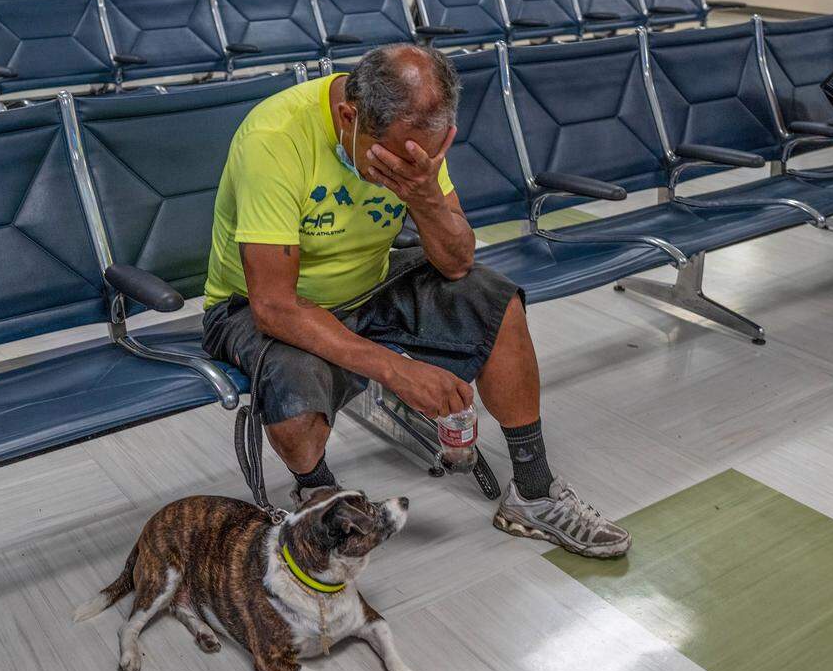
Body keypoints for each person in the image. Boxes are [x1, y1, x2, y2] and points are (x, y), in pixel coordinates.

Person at [200, 43, 630, 558]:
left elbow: (456, 262)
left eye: (422, 161)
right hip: (258, 304)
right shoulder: (274, 140)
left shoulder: (414, 148)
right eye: (393, 161)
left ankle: (533, 494)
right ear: (348, 116)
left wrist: (425, 198)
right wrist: (396, 371)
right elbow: (274, 306)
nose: (407, 170)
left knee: (491, 301)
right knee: (293, 401)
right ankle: (318, 491)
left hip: (373, 280)